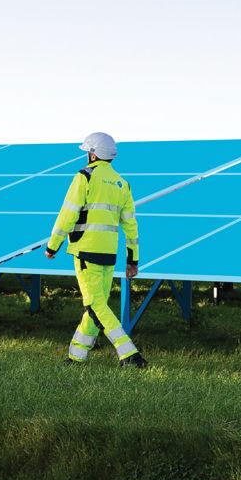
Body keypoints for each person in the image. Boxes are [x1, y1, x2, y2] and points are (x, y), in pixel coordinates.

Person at [45, 131, 146, 367]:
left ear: (93, 154)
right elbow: (131, 226)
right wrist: (133, 260)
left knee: (94, 304)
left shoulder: (85, 177)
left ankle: (129, 354)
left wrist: (53, 245)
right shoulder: (122, 184)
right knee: (96, 304)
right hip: (109, 254)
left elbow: (67, 214)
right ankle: (76, 356)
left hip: (86, 251)